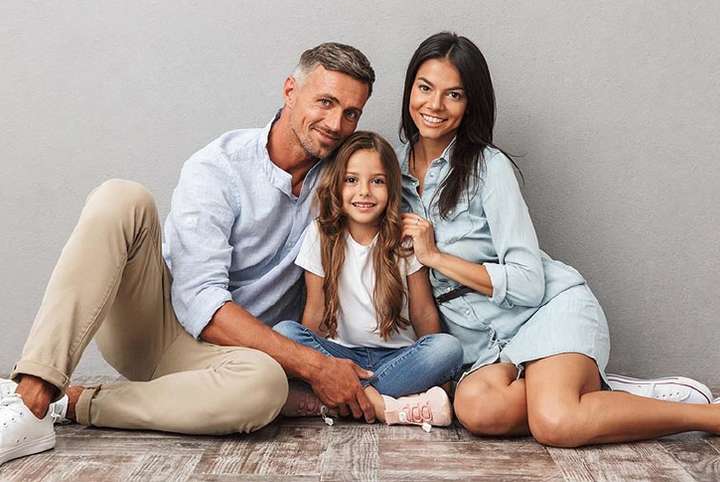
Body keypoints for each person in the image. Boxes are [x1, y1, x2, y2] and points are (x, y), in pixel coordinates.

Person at [0, 42, 378, 466]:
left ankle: (71, 403)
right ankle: (31, 398)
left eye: (351, 113)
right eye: (325, 102)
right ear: (290, 91)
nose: (336, 124)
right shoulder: (220, 166)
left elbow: (398, 188)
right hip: (158, 328)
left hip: (236, 360)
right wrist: (316, 366)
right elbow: (202, 302)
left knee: (265, 387)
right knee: (121, 197)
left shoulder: (347, 181)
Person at [397, 31, 718, 446]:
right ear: (410, 89)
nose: (435, 105)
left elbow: (529, 283)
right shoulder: (390, 176)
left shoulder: (488, 168)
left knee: (556, 423)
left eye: (454, 94)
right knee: (476, 410)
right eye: (425, 88)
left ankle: (708, 416)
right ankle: (600, 395)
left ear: (470, 103)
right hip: (488, 352)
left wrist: (437, 257)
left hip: (547, 312)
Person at [274, 131, 464, 429]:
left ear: (391, 188)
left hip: (397, 359)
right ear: (337, 185)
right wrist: (314, 368)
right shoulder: (321, 234)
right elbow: (314, 311)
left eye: (377, 181)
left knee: (448, 348)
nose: (364, 192)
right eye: (351, 180)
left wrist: (437, 369)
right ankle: (387, 406)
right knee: (285, 333)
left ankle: (339, 402)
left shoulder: (404, 239)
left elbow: (423, 311)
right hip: (339, 359)